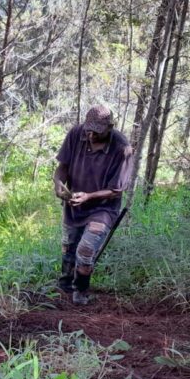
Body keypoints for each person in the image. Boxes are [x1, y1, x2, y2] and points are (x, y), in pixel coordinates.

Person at [53, 105, 133, 306]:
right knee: (69, 247)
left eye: (97, 131)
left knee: (86, 248)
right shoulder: (75, 134)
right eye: (88, 130)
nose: (91, 135)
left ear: (109, 127)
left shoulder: (122, 148)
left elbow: (117, 189)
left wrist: (88, 196)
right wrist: (58, 185)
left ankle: (80, 292)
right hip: (74, 204)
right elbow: (62, 168)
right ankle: (64, 289)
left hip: (103, 208)